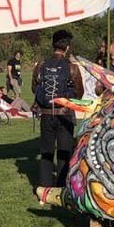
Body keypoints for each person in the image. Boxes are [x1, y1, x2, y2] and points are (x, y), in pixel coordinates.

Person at [33, 30, 84, 192]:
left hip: (46, 115)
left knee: (46, 153)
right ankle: (61, 187)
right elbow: (79, 93)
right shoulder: (72, 68)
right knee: (63, 153)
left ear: (53, 45)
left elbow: (34, 88)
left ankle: (44, 188)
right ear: (67, 47)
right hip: (65, 115)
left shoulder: (41, 66)